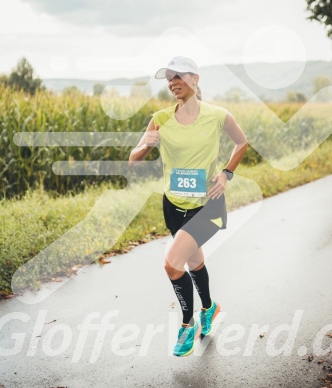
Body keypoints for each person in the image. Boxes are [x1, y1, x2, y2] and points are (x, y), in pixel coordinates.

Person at [129, 56, 248, 357]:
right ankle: (209, 308)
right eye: (169, 78)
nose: (173, 82)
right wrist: (146, 145)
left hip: (207, 206)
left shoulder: (218, 115)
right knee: (193, 262)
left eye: (178, 75)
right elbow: (133, 158)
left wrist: (226, 173)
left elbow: (242, 142)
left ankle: (187, 324)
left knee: (172, 263)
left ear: (195, 78)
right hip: (173, 205)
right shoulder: (161, 117)